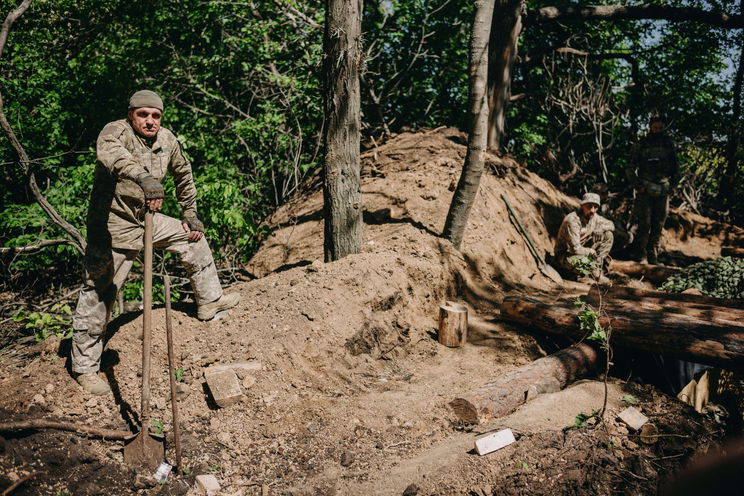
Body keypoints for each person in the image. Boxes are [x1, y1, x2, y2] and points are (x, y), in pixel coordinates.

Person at [71, 90, 240, 395]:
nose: (150, 121)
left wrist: (190, 212)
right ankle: (85, 367)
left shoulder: (167, 139)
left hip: (145, 220)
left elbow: (183, 173)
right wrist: (144, 178)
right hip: (112, 228)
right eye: (143, 115)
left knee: (192, 239)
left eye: (156, 115)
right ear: (131, 114)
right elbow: (112, 156)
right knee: (99, 293)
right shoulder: (115, 132)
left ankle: (209, 301)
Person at [627, 114, 679, 264]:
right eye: (655, 127)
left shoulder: (669, 144)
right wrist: (638, 186)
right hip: (645, 187)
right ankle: (640, 255)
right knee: (644, 223)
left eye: (660, 128)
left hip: (663, 189)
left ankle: (653, 255)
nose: (657, 130)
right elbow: (630, 167)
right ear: (650, 127)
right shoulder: (641, 144)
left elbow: (676, 168)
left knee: (659, 224)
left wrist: (672, 187)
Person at [553, 192, 614, 283]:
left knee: (608, 235)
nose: (592, 210)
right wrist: (591, 251)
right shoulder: (573, 220)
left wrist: (601, 228)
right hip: (566, 255)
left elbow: (611, 225)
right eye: (589, 206)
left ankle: (596, 270)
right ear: (582, 206)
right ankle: (590, 274)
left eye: (595, 207)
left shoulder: (594, 217)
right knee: (586, 263)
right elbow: (575, 249)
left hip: (583, 251)